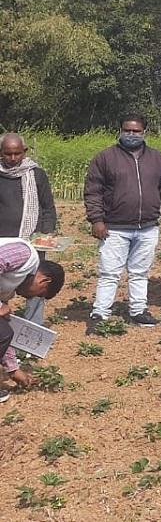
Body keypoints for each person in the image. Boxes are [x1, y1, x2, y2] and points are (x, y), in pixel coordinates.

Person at [85, 114, 161, 328]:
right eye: (127, 130)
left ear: (144, 132)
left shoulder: (158, 159)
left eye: (136, 131)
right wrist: (96, 220)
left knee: (139, 272)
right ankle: (100, 313)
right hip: (114, 228)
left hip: (147, 227)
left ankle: (138, 310)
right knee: (109, 272)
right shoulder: (105, 158)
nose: (131, 134)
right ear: (120, 130)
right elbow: (93, 192)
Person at [0, 238, 65, 401]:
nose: (32, 297)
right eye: (40, 294)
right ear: (44, 280)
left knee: (3, 330)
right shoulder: (24, 255)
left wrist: (13, 370)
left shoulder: (8, 289)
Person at [0, 134, 57, 243]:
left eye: (17, 154)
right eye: (8, 154)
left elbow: (48, 207)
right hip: (2, 240)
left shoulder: (37, 175)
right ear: (0, 152)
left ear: (24, 151)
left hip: (32, 239)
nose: (13, 158)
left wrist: (47, 231)